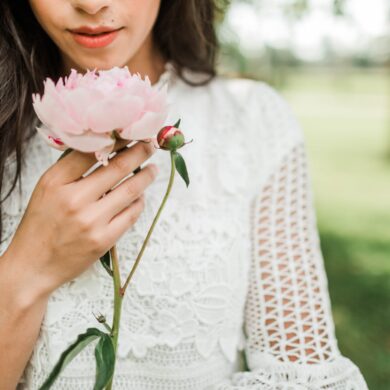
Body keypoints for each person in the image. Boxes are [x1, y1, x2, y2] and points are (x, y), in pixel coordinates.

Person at [0, 1, 368, 389]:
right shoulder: (8, 134)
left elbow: (303, 378)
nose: (92, 5)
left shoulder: (252, 121)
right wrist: (28, 270)